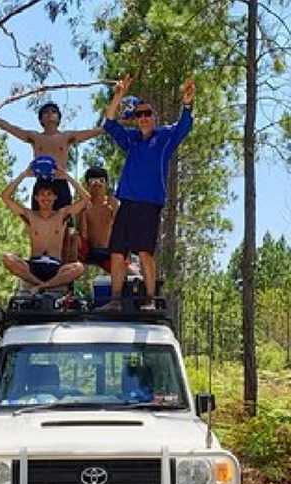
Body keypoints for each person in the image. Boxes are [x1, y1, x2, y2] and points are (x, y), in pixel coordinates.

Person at [98, 75, 195, 311]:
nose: (143, 118)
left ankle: (150, 299)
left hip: (149, 204)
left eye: (147, 114)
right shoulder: (130, 139)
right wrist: (118, 96)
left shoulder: (165, 138)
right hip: (127, 203)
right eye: (139, 115)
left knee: (145, 252)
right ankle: (115, 300)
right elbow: (109, 123)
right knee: (117, 253)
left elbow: (185, 125)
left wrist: (187, 104)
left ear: (154, 117)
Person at [0, 101, 103, 210]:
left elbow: (92, 132)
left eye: (53, 111)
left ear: (58, 118)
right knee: (37, 221)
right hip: (41, 182)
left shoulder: (66, 137)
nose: (50, 114)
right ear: (41, 119)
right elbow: (10, 128)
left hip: (61, 181)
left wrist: (115, 125)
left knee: (64, 225)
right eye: (46, 112)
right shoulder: (35, 137)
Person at [0, 166, 88, 290]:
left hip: (55, 267)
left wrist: (67, 177)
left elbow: (86, 199)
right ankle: (40, 284)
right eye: (42, 195)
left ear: (55, 197)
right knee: (7, 258)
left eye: (49, 194)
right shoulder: (30, 215)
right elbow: (5, 197)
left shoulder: (62, 215)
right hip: (34, 266)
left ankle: (42, 287)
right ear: (36, 198)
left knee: (79, 267)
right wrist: (23, 175)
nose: (45, 198)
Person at [78, 167, 119, 272]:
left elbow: (120, 230)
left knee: (131, 271)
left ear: (106, 184)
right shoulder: (83, 205)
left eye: (101, 181)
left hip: (109, 251)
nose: (97, 185)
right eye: (93, 181)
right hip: (89, 251)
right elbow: (83, 234)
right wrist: (84, 212)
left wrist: (114, 210)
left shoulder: (112, 203)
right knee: (73, 237)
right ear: (87, 185)